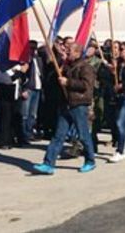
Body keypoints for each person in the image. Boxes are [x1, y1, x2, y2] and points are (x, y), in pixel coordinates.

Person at [33, 43, 97, 174]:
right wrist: (60, 64)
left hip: (78, 104)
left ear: (78, 53)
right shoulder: (67, 66)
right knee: (58, 135)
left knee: (83, 135)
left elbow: (86, 85)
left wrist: (68, 82)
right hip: (65, 103)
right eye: (67, 51)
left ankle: (90, 160)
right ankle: (48, 163)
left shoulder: (85, 67)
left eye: (70, 51)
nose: (67, 53)